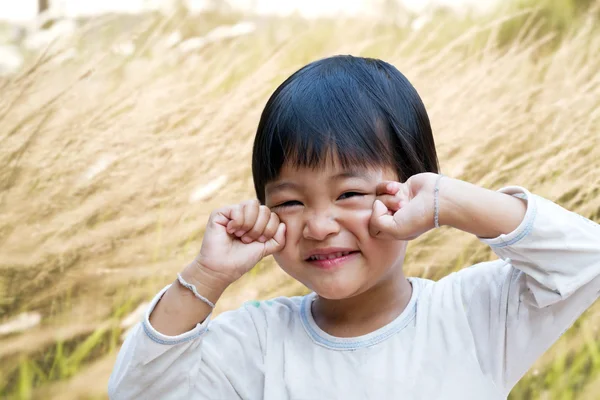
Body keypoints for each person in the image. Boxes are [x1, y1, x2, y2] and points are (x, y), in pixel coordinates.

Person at [107, 55, 600, 399]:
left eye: (349, 194)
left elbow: (585, 258)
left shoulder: (475, 316)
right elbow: (136, 392)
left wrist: (451, 200)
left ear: (412, 191)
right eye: (291, 201)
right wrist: (205, 277)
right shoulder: (255, 341)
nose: (320, 225)